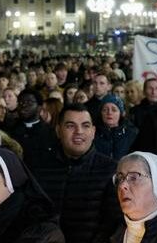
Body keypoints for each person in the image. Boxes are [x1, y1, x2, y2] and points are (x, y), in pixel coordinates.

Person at [31, 103, 120, 243]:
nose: (79, 131)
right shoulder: (40, 168)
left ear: (93, 131)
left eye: (85, 125)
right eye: (70, 126)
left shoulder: (110, 170)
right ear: (58, 131)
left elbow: (113, 224)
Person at [9, 90, 58, 167]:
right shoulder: (10, 130)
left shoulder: (50, 132)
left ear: (39, 107)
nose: (24, 105)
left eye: (29, 102)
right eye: (21, 102)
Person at [94, 94, 138, 161]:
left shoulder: (132, 133)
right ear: (101, 113)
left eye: (114, 110)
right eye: (105, 110)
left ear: (121, 113)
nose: (109, 113)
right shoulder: (93, 133)